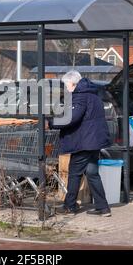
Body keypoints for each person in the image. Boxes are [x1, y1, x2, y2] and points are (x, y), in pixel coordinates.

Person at [49, 71, 112, 217]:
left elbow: (71, 118)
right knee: (92, 173)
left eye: (66, 85)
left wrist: (51, 123)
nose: (66, 89)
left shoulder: (79, 96)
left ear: (72, 84)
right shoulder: (93, 94)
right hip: (94, 141)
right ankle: (103, 208)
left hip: (84, 142)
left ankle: (69, 206)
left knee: (74, 173)